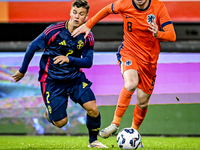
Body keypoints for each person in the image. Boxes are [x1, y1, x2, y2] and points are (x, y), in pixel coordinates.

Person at [71, 0, 176, 145]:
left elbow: (172, 36)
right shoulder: (124, 4)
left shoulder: (158, 7)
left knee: (143, 102)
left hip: (149, 61)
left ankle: (134, 132)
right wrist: (89, 24)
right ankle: (115, 124)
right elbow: (107, 9)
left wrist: (158, 33)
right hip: (129, 52)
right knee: (131, 83)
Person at [12, 0, 108, 148]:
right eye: (75, 12)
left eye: (81, 14)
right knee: (61, 122)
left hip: (74, 79)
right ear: (70, 12)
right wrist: (22, 70)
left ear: (86, 16)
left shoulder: (87, 36)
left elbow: (88, 62)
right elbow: (32, 47)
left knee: (93, 109)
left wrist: (68, 59)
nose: (77, 16)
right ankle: (50, 112)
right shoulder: (53, 31)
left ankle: (93, 141)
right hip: (52, 81)